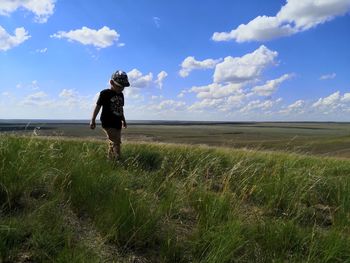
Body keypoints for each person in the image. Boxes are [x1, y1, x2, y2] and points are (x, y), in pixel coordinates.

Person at [90, 70, 130, 161]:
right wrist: (92, 120)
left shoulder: (121, 95)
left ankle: (111, 160)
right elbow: (98, 106)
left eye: (123, 87)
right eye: (119, 86)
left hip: (117, 122)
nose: (121, 88)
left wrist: (124, 120)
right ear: (111, 82)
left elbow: (120, 109)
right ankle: (118, 159)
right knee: (115, 141)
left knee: (116, 142)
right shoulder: (105, 93)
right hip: (107, 122)